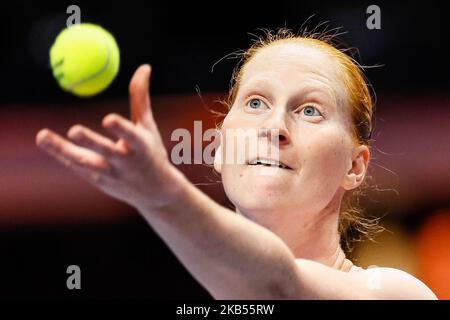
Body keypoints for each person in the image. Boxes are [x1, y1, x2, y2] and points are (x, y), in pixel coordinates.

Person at [35, 28, 437, 299]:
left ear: (355, 166)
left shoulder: (390, 292)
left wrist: (163, 195)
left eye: (310, 110)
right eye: (256, 103)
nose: (274, 126)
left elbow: (276, 285)